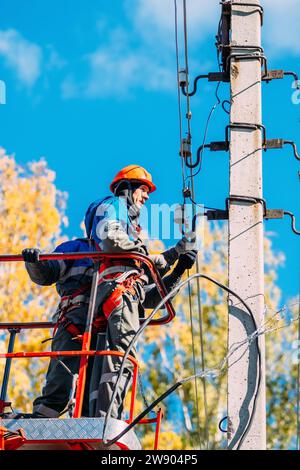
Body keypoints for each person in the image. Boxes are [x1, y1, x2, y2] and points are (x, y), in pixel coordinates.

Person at [18, 164, 197, 420]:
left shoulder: (124, 261)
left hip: (103, 325)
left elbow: (151, 298)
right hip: (75, 323)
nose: (146, 198)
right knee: (61, 378)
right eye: (143, 190)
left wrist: (179, 268)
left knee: (106, 369)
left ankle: (102, 418)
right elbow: (46, 273)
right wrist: (33, 261)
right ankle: (44, 417)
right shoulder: (77, 249)